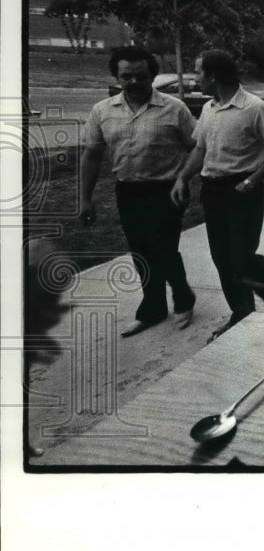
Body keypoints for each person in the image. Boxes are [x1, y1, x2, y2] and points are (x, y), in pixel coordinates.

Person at [170, 50, 264, 340]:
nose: (195, 78)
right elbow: (200, 148)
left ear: (213, 75)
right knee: (222, 259)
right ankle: (242, 314)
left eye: (198, 72)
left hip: (242, 191)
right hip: (213, 191)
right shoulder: (210, 108)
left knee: (240, 257)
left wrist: (251, 181)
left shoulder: (254, 108)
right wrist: (182, 177)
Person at [81, 46, 197, 337]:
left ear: (152, 76)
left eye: (141, 76)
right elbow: (92, 155)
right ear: (116, 76)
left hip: (167, 190)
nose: (133, 82)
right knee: (141, 252)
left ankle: (182, 299)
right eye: (126, 76)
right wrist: (85, 198)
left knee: (163, 248)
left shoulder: (174, 108)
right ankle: (155, 309)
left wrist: (185, 178)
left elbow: (197, 147)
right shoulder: (102, 111)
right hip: (128, 191)